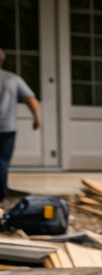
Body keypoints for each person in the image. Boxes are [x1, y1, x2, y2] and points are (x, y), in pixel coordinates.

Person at [0, 48, 42, 201]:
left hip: (8, 128)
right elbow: (31, 99)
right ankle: (1, 192)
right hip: (8, 128)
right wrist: (37, 118)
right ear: (2, 61)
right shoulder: (13, 79)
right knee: (2, 161)